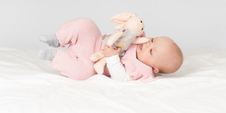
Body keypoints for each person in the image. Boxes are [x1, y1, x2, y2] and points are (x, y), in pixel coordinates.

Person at [38, 18, 183, 82]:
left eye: (151, 51)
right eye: (152, 40)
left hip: (91, 62)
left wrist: (113, 57)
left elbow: (121, 78)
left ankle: (55, 56)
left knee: (82, 74)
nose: (146, 44)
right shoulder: (139, 38)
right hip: (95, 40)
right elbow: (129, 30)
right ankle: (57, 38)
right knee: (86, 24)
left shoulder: (141, 70)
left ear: (154, 68)